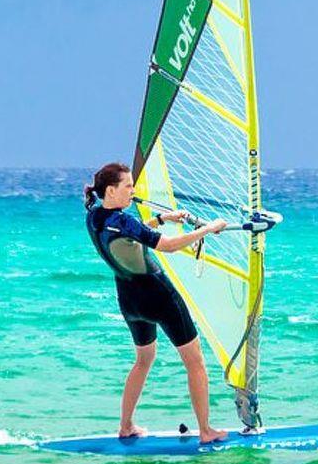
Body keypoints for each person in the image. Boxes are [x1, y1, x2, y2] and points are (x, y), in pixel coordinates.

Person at [83, 162, 230, 442]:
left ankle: (126, 426)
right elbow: (168, 246)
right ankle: (206, 431)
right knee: (195, 362)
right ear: (111, 190)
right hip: (159, 297)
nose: (133, 190)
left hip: (130, 301)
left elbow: (130, 235)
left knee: (143, 360)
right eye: (128, 186)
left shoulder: (94, 217)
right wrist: (209, 229)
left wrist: (162, 219)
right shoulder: (123, 220)